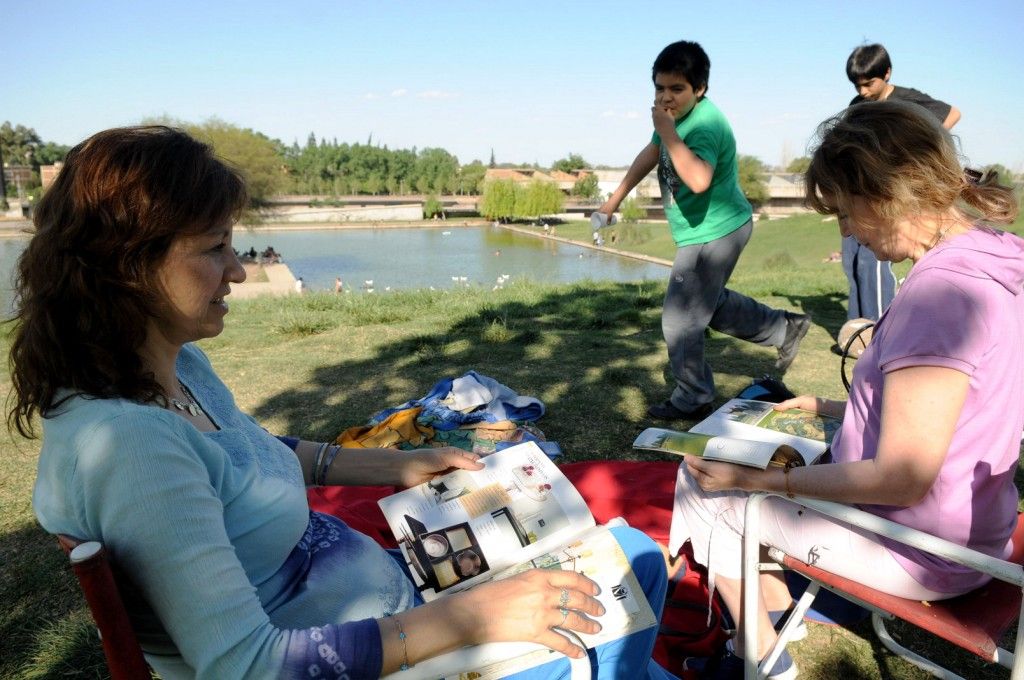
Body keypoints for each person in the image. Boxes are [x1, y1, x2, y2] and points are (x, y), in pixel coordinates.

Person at [12, 126, 676, 680]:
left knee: (619, 559)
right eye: (215, 248)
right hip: (373, 652)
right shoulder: (133, 447)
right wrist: (480, 616)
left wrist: (399, 466)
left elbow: (248, 452)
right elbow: (248, 666)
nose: (240, 270)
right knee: (628, 573)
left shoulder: (175, 365)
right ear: (128, 264)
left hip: (390, 602)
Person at [673, 100, 1022, 679]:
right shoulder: (996, 260)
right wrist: (832, 406)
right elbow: (964, 407)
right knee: (752, 466)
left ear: (887, 195)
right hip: (982, 529)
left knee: (708, 488)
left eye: (844, 211)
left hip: (924, 550)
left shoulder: (940, 295)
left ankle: (758, 660)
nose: (845, 230)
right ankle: (779, 612)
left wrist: (764, 481)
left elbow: (903, 476)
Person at [596, 40, 810, 422]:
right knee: (704, 306)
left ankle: (692, 397)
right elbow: (651, 154)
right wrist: (614, 200)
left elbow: (697, 179)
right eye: (659, 88)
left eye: (676, 89)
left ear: (700, 89)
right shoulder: (673, 120)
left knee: (679, 318)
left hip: (716, 232)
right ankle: (784, 328)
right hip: (709, 230)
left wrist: (668, 132)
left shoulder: (704, 124)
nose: (666, 97)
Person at [841, 43, 962, 322]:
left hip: (888, 196)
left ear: (887, 73)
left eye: (868, 84)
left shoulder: (907, 100)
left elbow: (952, 113)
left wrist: (916, 145)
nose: (862, 92)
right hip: (860, 191)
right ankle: (859, 327)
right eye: (856, 85)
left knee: (875, 263)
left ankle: (880, 327)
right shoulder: (857, 107)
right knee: (854, 262)